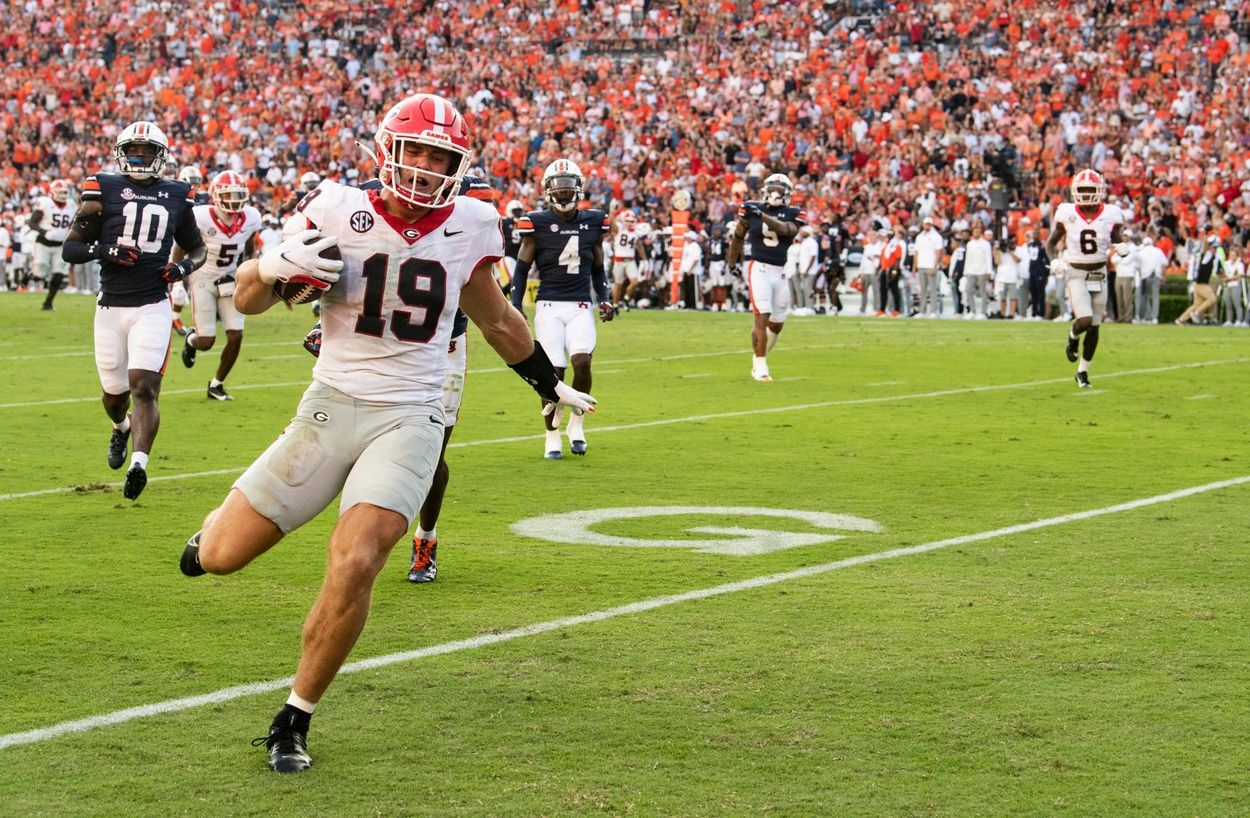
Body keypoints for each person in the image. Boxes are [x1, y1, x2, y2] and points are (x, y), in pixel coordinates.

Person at [178, 94, 596, 774]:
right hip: (331, 403)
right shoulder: (338, 208)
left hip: (411, 413)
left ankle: (294, 717)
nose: (429, 168)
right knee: (222, 556)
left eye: (443, 157)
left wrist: (549, 384)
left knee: (358, 556)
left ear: (459, 165)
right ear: (388, 151)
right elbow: (250, 296)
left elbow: (497, 322)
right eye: (419, 152)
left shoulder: (470, 222)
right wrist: (272, 264)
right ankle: (213, 530)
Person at [61, 122, 207, 497]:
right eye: (134, 151)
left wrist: (183, 268)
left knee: (144, 386)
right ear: (122, 153)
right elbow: (71, 248)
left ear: (161, 156)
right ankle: (121, 428)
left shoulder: (176, 193)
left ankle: (138, 464)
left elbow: (197, 248)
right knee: (113, 395)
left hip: (152, 304)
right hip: (110, 307)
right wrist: (103, 249)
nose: (139, 158)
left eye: (146, 151)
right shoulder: (103, 187)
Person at [509, 158, 614, 458]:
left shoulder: (594, 222)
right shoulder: (537, 223)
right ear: (548, 190)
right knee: (553, 371)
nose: (565, 194)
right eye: (560, 188)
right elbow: (521, 268)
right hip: (549, 305)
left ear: (579, 189)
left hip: (580, 304)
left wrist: (604, 297)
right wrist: (515, 305)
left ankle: (576, 424)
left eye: (569, 188)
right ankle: (550, 434)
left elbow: (598, 268)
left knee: (582, 363)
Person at [178, 171, 262, 400]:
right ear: (215, 195)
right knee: (206, 342)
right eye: (229, 195)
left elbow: (249, 246)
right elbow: (181, 244)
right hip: (203, 277)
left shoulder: (251, 217)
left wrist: (250, 270)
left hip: (230, 278)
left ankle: (217, 384)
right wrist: (177, 277)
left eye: (238, 194)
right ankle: (191, 340)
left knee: (236, 335)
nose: (234, 200)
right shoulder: (200, 216)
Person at [1046, 169, 1125, 388]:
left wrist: (1122, 246)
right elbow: (1051, 243)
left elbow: (1116, 237)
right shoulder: (1067, 213)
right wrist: (1054, 260)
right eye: (1084, 189)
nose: (1088, 193)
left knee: (1095, 326)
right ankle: (1072, 337)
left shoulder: (1111, 213)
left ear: (1099, 191)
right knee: (1085, 319)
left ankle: (1082, 371)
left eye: (1091, 189)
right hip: (1076, 272)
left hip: (1100, 273)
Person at [727, 173, 804, 381]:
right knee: (762, 315)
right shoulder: (750, 209)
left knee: (777, 323)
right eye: (773, 188)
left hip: (779, 271)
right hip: (758, 268)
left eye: (780, 189)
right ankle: (761, 366)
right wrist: (731, 262)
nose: (775, 193)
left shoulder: (793, 213)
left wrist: (761, 216)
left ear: (787, 193)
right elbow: (738, 236)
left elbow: (786, 230)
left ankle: (757, 358)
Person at [170, 166, 207, 336]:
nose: (194, 185)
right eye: (191, 182)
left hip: (196, 242)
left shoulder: (204, 198)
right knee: (176, 282)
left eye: (196, 182)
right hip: (177, 240)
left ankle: (174, 316)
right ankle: (172, 316)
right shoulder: (176, 195)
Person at [31, 179, 76, 311]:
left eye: (64, 192)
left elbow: (74, 223)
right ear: (52, 192)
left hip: (60, 244)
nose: (62, 195)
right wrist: (44, 232)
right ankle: (30, 274)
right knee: (41, 270)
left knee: (59, 274)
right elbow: (31, 222)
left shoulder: (71, 204)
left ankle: (48, 302)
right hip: (43, 243)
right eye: (60, 192)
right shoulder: (45, 203)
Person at [1175, 234, 1224, 326]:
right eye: (1214, 248)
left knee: (1196, 304)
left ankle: (1181, 319)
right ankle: (1197, 313)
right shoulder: (1206, 256)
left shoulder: (1213, 257)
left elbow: (1219, 270)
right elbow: (1205, 248)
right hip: (1202, 284)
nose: (1215, 250)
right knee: (1212, 299)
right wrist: (1207, 238)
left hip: (1198, 284)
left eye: (1216, 248)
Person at [609, 209, 643, 309]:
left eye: (632, 221)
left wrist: (644, 260)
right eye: (628, 221)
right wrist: (612, 211)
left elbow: (639, 245)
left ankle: (626, 298)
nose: (629, 223)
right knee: (618, 284)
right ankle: (615, 305)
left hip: (630, 260)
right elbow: (611, 222)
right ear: (624, 220)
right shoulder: (619, 228)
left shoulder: (636, 232)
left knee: (635, 282)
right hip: (618, 260)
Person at [913, 217, 945, 316]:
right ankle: (922, 311)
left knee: (932, 290)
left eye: (929, 224)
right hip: (921, 265)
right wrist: (915, 267)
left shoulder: (936, 236)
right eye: (926, 224)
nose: (927, 225)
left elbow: (938, 252)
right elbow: (916, 252)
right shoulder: (919, 237)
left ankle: (933, 311)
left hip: (931, 265)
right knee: (922, 290)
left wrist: (935, 266)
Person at [1135, 233, 1167, 324]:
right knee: (1155, 297)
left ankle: (1143, 317)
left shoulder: (1140, 252)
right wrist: (1163, 277)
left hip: (1145, 277)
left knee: (1144, 297)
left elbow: (1138, 267)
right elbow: (1164, 264)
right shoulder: (1158, 251)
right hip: (1156, 275)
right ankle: (1154, 318)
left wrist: (1141, 276)